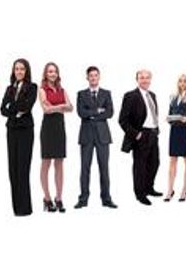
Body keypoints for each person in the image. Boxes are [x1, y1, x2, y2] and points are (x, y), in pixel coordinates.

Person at [0, 60, 36, 215]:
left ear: (26, 71)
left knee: (23, 168)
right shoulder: (9, 88)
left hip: (25, 130)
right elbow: (2, 109)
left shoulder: (32, 87)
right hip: (11, 130)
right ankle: (16, 208)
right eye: (17, 69)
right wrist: (16, 109)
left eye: (22, 69)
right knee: (12, 168)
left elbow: (26, 106)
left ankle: (25, 209)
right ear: (13, 71)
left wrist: (12, 107)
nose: (19, 71)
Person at [73, 65, 113, 209]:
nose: (93, 78)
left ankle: (106, 199)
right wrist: (97, 110)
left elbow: (110, 112)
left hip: (103, 136)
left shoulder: (106, 93)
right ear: (87, 77)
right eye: (91, 75)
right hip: (86, 136)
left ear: (99, 77)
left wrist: (91, 113)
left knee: (104, 168)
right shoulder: (81, 94)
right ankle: (83, 199)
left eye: (96, 75)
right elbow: (81, 113)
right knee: (85, 168)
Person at [121, 70, 163, 204]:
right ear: (137, 80)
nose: (144, 80)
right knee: (140, 166)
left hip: (153, 133)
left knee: (155, 163)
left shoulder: (152, 95)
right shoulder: (131, 96)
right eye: (141, 78)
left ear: (150, 79)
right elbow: (123, 120)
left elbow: (153, 114)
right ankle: (140, 194)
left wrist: (157, 129)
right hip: (141, 134)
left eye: (147, 78)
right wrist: (136, 134)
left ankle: (149, 188)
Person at [39, 65, 72, 210]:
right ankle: (47, 198)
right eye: (50, 71)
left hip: (60, 128)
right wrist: (62, 106)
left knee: (59, 163)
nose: (53, 74)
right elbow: (45, 109)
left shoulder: (62, 90)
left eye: (55, 71)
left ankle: (59, 198)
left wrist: (55, 106)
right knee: (46, 162)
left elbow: (71, 108)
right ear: (46, 74)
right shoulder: (42, 90)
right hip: (47, 128)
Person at [165, 75, 186, 201]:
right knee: (172, 160)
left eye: (185, 81)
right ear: (177, 83)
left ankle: (184, 190)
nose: (182, 83)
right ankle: (170, 190)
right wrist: (169, 119)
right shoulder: (173, 97)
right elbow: (170, 114)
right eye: (180, 81)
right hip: (174, 130)